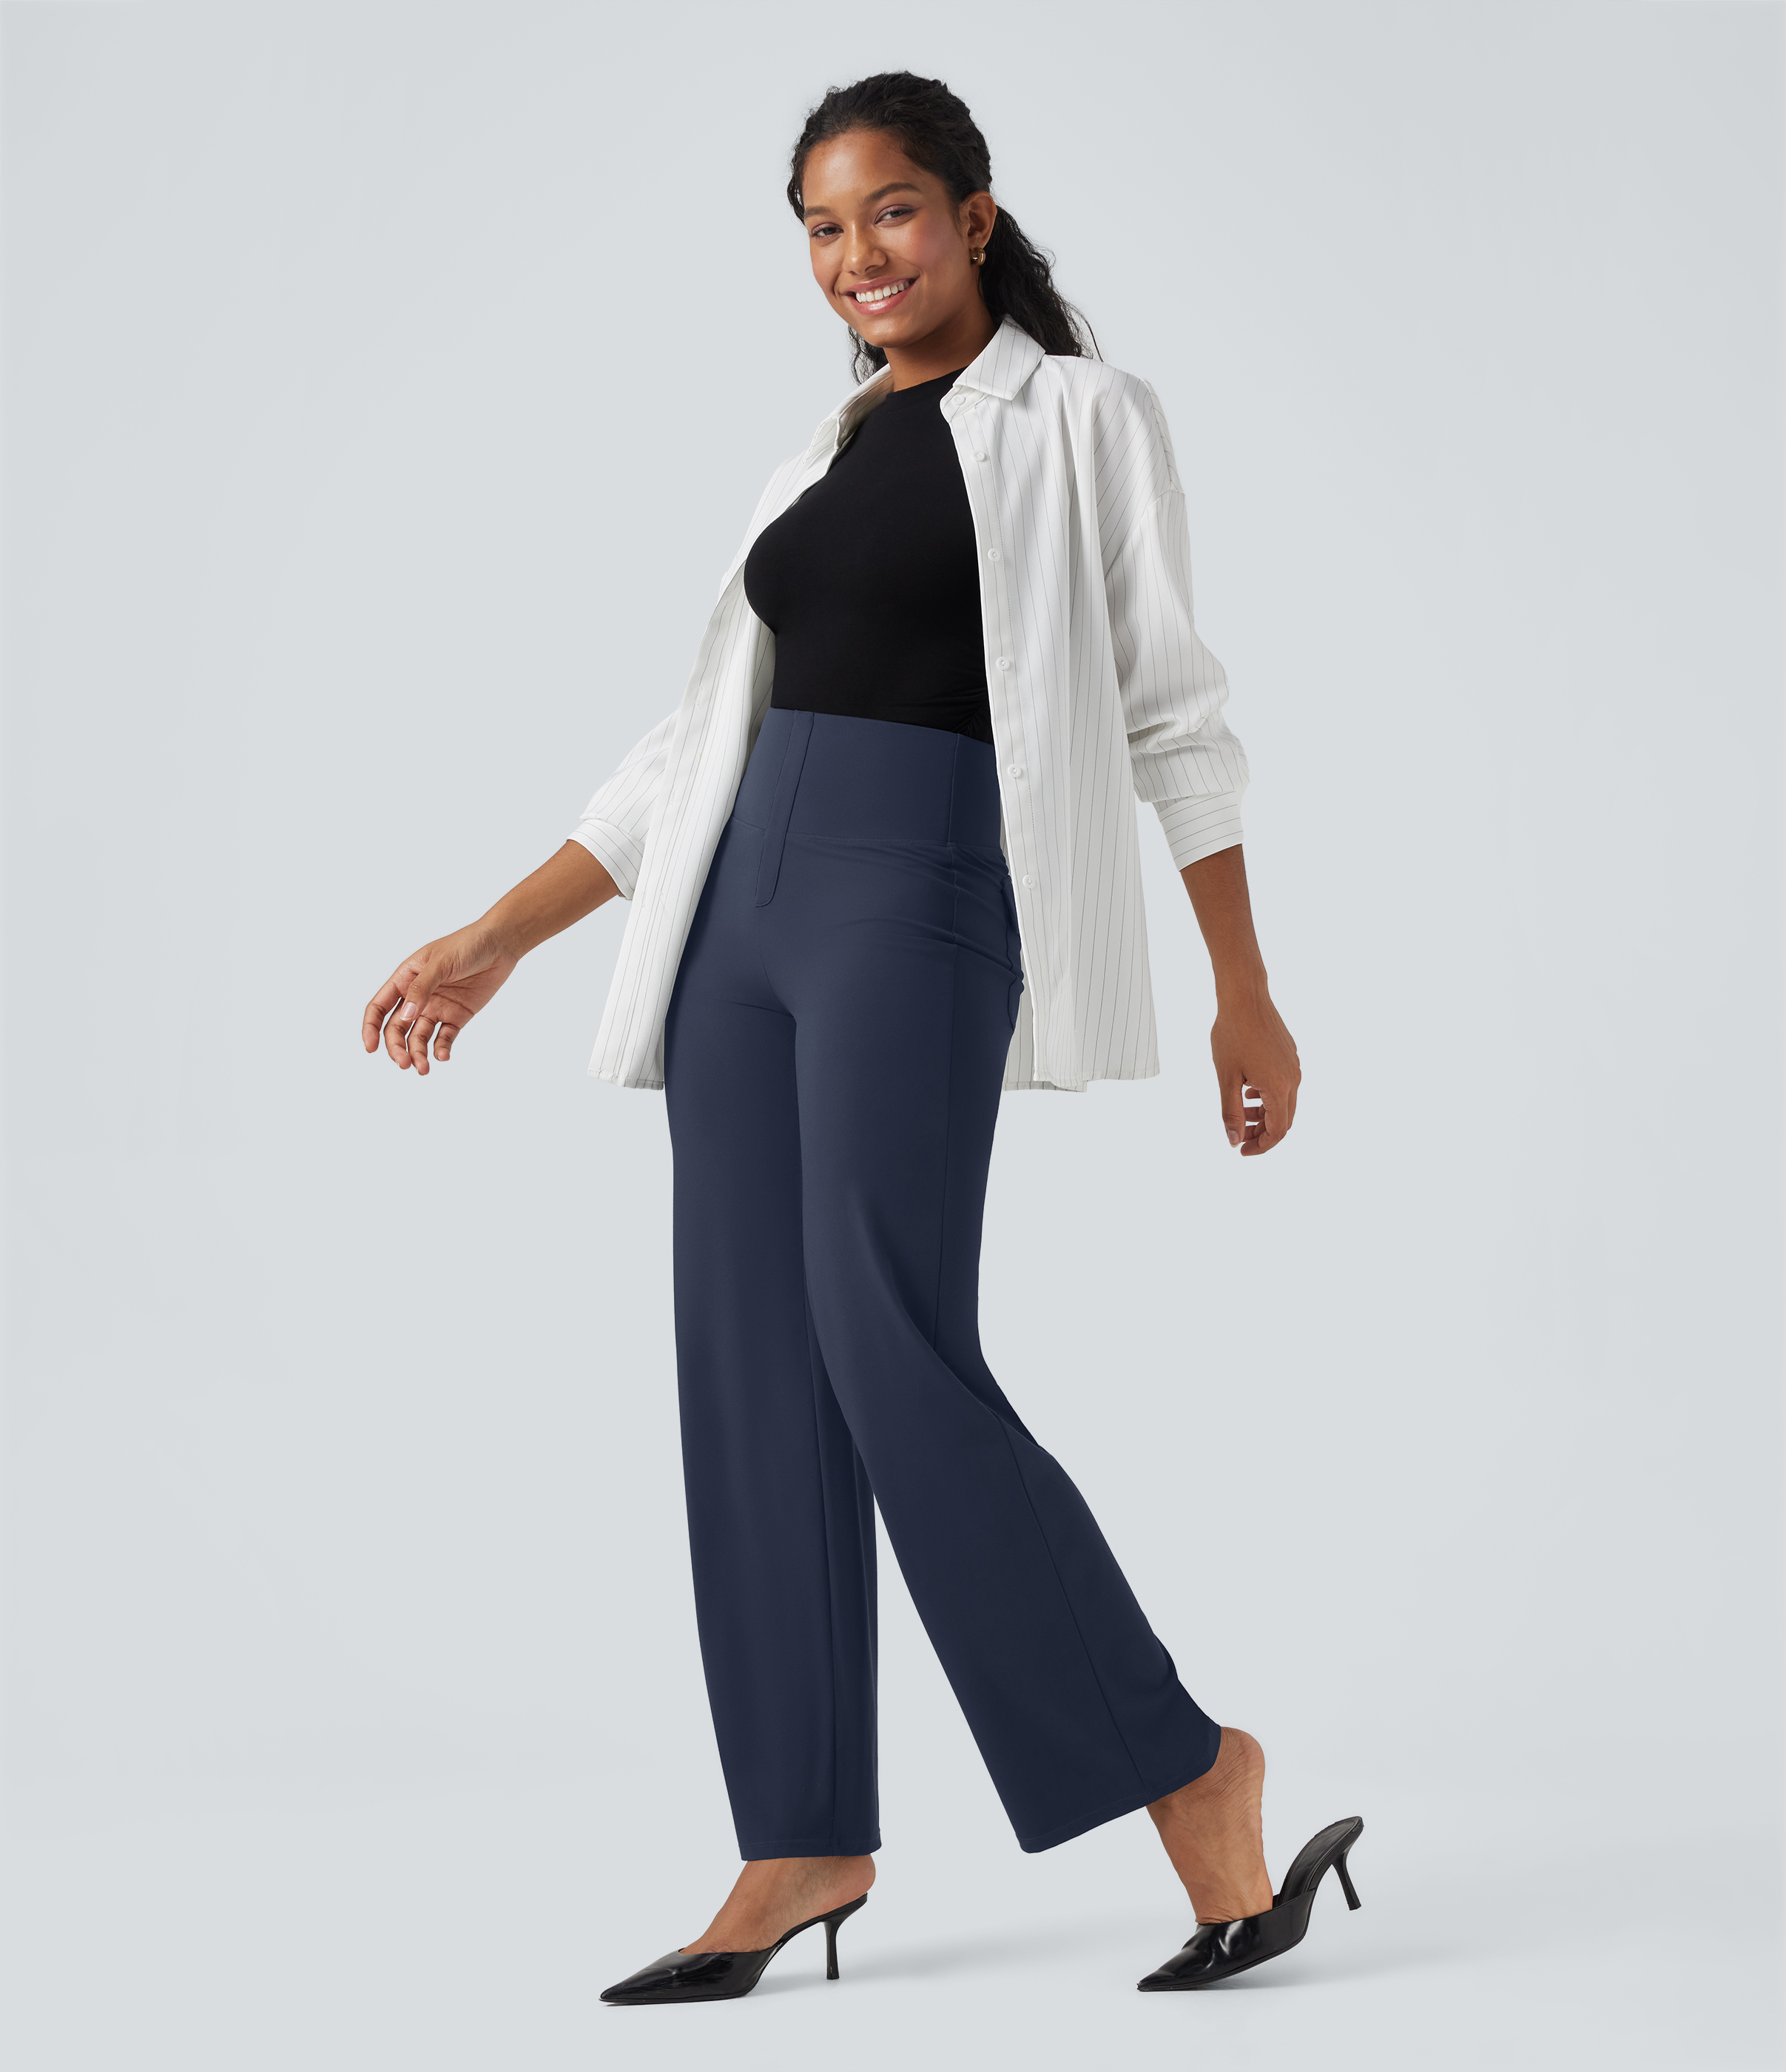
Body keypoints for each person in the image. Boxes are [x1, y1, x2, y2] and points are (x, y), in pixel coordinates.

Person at [362, 70, 1361, 2000]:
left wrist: (1244, 984)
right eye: (822, 228)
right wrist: (495, 939)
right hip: (735, 916)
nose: (857, 256)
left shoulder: (1082, 419)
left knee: (887, 1342)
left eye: (891, 211)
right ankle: (800, 1836)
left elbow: (1172, 707)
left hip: (919, 889)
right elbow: (686, 753)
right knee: (749, 1365)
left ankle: (1188, 1769)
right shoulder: (816, 459)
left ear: (973, 216)